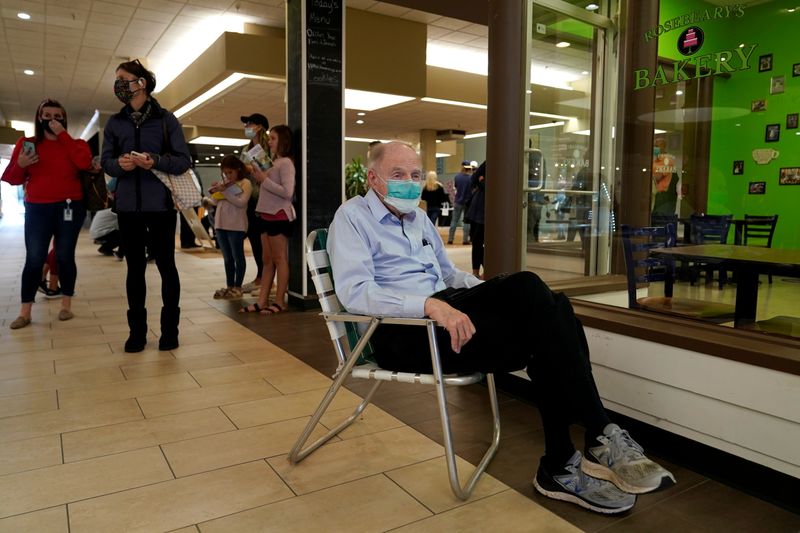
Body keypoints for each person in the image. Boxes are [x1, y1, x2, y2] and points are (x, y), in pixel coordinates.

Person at [327, 141, 675, 515]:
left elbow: (448, 275)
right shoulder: (352, 217)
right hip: (403, 332)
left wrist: (492, 295)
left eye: (415, 175)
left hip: (449, 320)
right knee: (541, 301)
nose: (410, 183)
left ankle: (563, 461)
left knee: (550, 314)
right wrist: (429, 305)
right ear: (373, 178)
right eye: (398, 175)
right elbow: (355, 293)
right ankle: (593, 437)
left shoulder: (419, 218)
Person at [101, 59, 192, 352]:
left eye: (123, 79)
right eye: (117, 80)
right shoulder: (115, 123)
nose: (118, 85)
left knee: (167, 266)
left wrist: (154, 160)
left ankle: (170, 331)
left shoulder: (166, 120)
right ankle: (136, 333)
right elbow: (106, 162)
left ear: (141, 83)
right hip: (127, 207)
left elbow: (183, 160)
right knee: (134, 269)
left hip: (162, 206)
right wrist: (120, 164)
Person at [1, 98, 92, 329]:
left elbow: (83, 163)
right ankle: (25, 312)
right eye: (47, 115)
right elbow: (12, 179)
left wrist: (63, 135)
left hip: (70, 206)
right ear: (39, 117)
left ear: (64, 119)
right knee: (34, 258)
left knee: (64, 255)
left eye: (57, 116)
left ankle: (66, 305)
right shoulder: (27, 143)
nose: (52, 120)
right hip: (37, 208)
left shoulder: (76, 143)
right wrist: (20, 164)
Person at [240, 124, 295, 315]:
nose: (269, 141)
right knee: (267, 260)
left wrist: (264, 179)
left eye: (273, 138)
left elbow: (287, 192)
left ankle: (280, 301)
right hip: (265, 214)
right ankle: (262, 301)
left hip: (278, 215)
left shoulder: (286, 163)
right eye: (269, 137)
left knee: (279, 259)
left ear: (283, 141)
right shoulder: (274, 161)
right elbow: (266, 178)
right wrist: (261, 177)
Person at [209, 155, 252, 300]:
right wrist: (215, 189)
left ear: (238, 170)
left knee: (237, 256)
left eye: (230, 172)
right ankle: (229, 286)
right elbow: (214, 201)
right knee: (227, 258)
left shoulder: (245, 183)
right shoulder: (224, 182)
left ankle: (237, 286)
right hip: (220, 224)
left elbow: (241, 202)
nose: (227, 176)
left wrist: (226, 191)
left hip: (236, 225)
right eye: (225, 173)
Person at [239, 113, 271, 294]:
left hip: (264, 199)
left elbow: (269, 170)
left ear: (259, 126)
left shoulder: (267, 148)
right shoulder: (246, 148)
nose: (246, 127)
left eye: (249, 124)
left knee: (265, 242)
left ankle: (266, 279)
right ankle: (260, 276)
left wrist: (250, 168)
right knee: (254, 239)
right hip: (249, 199)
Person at [464, 161, 486, 277]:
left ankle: (480, 271)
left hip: (482, 210)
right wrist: (481, 181)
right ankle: (476, 272)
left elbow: (478, 179)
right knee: (477, 242)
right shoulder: (492, 162)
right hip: (479, 210)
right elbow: (475, 177)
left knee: (478, 242)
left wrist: (481, 181)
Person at [651, 138, 680, 218]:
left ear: (663, 147)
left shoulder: (667, 160)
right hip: (657, 195)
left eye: (657, 146)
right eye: (654, 146)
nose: (654, 148)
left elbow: (658, 177)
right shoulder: (656, 161)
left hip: (664, 197)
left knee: (660, 219)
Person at [447, 160, 474, 245]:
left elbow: (456, 187)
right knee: (466, 222)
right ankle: (465, 240)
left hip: (458, 201)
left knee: (454, 221)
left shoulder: (457, 177)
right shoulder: (471, 178)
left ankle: (450, 239)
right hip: (468, 202)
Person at [81, 155, 109, 220]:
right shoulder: (86, 174)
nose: (100, 168)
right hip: (93, 205)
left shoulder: (101, 172)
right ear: (94, 164)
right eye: (99, 165)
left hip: (103, 204)